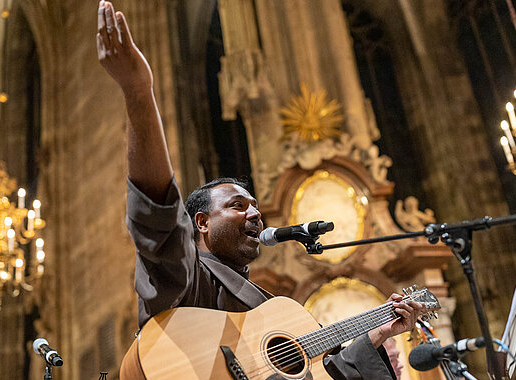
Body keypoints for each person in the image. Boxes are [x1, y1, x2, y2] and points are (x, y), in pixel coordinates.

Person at [96, 1, 425, 378]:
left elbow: (330, 373)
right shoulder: (187, 279)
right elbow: (156, 216)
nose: (255, 213)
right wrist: (139, 93)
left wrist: (378, 336)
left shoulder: (275, 312)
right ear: (200, 223)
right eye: (237, 205)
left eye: (255, 206)